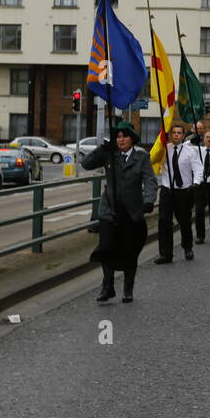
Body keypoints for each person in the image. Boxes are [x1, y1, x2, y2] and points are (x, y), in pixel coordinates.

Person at [81, 121, 158, 303]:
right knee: (107, 248)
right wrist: (102, 149)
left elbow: (150, 181)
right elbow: (86, 164)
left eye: (125, 136)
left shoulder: (141, 157)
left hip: (131, 211)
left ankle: (128, 289)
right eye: (118, 136)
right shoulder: (110, 155)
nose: (121, 139)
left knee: (130, 251)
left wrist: (148, 201)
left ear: (133, 139)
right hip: (109, 210)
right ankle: (107, 287)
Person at [153, 122, 196, 264]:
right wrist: (161, 142)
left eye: (179, 133)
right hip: (167, 190)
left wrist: (196, 183)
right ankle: (166, 254)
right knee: (164, 222)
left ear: (183, 136)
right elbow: (152, 158)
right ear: (170, 135)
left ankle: (187, 247)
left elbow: (198, 168)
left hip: (184, 190)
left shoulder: (190, 151)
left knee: (184, 221)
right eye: (174, 133)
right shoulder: (164, 149)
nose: (176, 135)